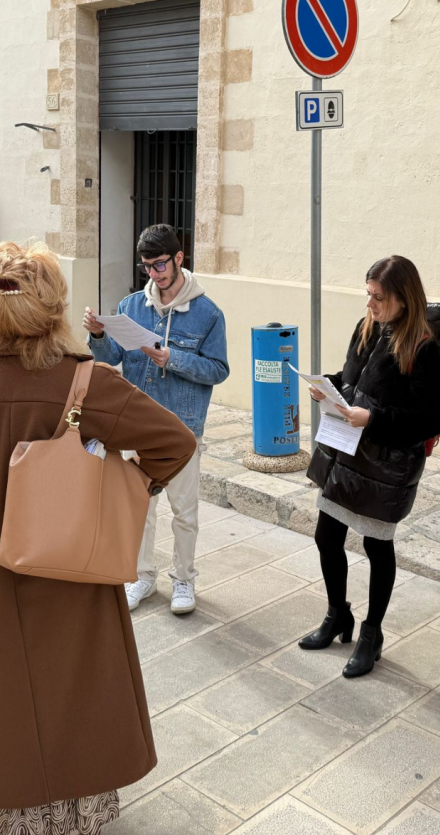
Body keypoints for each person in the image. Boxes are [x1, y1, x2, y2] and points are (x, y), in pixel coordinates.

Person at [0, 241, 197, 835]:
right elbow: (175, 443)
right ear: (54, 309)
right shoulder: (83, 384)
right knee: (68, 705)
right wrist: (126, 488)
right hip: (65, 574)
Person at [302, 256, 440, 678]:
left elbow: (429, 420)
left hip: (385, 468)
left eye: (379, 297)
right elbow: (355, 380)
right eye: (368, 295)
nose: (371, 304)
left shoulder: (424, 350)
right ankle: (337, 616)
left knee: (375, 546)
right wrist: (327, 387)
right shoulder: (367, 328)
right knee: (327, 536)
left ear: (404, 299)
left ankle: (372, 634)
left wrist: (375, 419)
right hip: (344, 454)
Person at [83, 224, 229, 615]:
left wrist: (173, 359)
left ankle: (183, 579)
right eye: (147, 266)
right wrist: (98, 334)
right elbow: (108, 358)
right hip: (137, 424)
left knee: (184, 512)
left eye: (160, 264)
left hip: (181, 429)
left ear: (179, 259)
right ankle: (141, 576)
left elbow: (218, 369)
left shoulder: (208, 314)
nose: (154, 273)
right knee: (139, 508)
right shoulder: (131, 307)